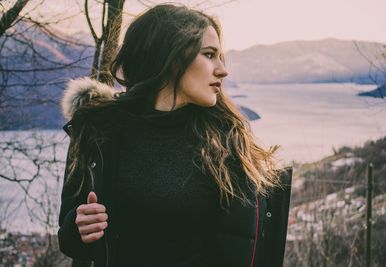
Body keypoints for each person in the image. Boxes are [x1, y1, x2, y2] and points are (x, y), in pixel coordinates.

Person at [58, 3, 292, 267]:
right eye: (209, 54)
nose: (222, 70)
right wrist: (80, 227)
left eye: (220, 56)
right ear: (170, 58)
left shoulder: (229, 145)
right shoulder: (97, 132)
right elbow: (68, 239)